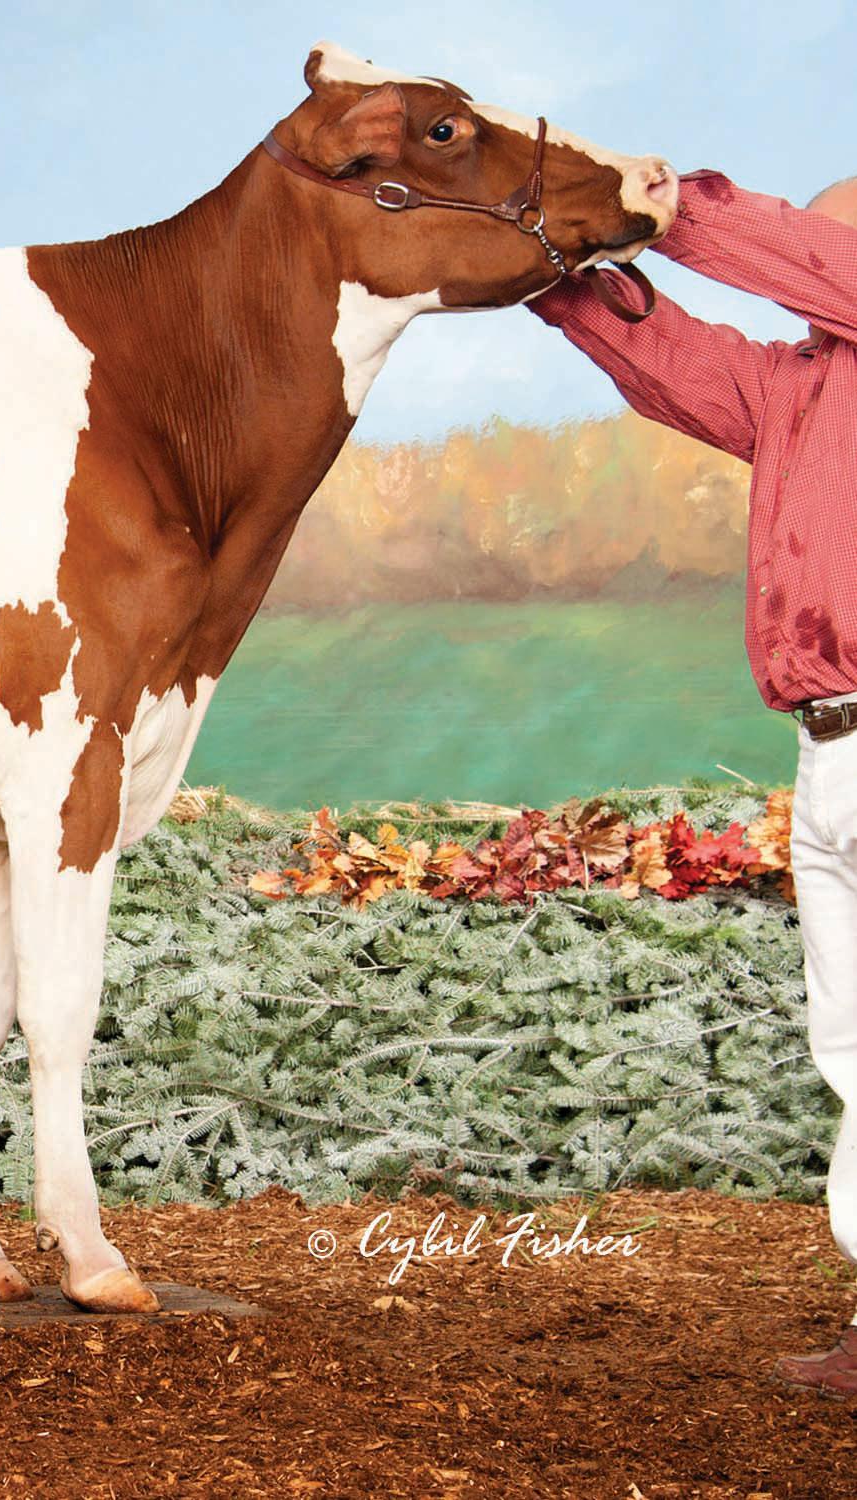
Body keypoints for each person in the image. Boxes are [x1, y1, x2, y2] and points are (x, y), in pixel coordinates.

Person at [529, 169, 857, 1393]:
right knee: (852, 1043)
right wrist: (554, 271)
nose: (807, 267)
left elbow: (805, 258)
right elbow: (670, 357)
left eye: (820, 248)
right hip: (828, 747)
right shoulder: (799, 382)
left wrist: (673, 203)